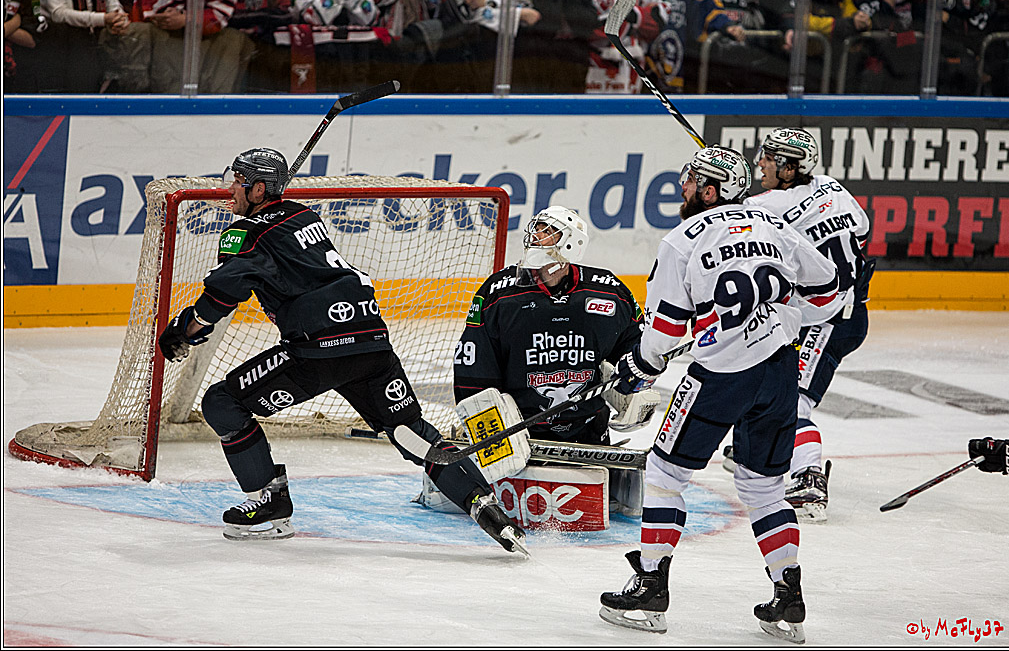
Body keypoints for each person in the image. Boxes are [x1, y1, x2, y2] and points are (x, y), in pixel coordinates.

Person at [157, 147, 526, 555]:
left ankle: (269, 501)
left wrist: (185, 329)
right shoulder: (304, 215)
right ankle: (484, 505)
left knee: (222, 402)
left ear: (259, 188)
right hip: (371, 342)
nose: (230, 190)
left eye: (239, 183)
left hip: (317, 352)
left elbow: (225, 292)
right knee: (411, 433)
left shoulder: (244, 234)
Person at [598, 145, 841, 641]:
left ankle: (649, 589)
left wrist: (636, 369)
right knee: (765, 488)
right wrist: (781, 316)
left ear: (709, 190)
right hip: (779, 372)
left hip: (721, 377)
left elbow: (664, 334)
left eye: (690, 181)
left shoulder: (681, 241)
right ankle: (788, 599)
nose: (682, 188)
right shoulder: (772, 225)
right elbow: (829, 288)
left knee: (665, 473)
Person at [415, 205, 654, 516]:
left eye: (546, 231)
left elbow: (636, 348)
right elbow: (473, 369)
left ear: (570, 243)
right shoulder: (499, 293)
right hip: (519, 435)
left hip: (588, 437)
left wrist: (637, 385)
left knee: (630, 512)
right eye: (536, 229)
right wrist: (488, 426)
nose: (535, 236)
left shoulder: (609, 291)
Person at [741, 127, 873, 523]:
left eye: (767, 157)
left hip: (827, 319)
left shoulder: (767, 205)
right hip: (840, 311)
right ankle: (772, 444)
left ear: (787, 166)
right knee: (767, 379)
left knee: (796, 399)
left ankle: (808, 475)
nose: (759, 163)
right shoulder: (833, 187)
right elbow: (862, 231)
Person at [37, 0, 130, 92]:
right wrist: (102, 19)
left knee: (134, 34)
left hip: (98, 31)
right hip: (62, 35)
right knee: (81, 39)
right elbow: (58, 13)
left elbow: (115, 7)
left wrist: (120, 22)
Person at [580, 0, 669, 94]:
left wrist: (624, 14)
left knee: (630, 112)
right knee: (595, 110)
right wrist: (641, 16)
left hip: (636, 64)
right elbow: (595, 21)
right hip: (597, 61)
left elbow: (659, 19)